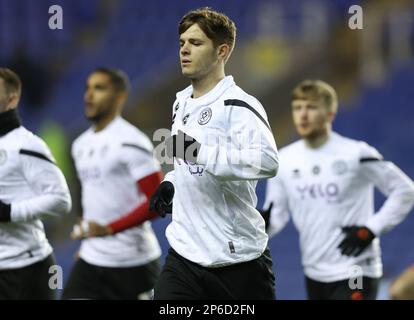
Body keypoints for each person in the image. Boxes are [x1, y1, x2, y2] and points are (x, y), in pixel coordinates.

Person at [150, 7, 279, 300]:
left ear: (222, 51)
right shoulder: (180, 102)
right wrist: (171, 182)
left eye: (195, 43)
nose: (184, 49)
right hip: (184, 255)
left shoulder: (238, 105)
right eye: (182, 42)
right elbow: (185, 158)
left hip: (237, 261)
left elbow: (268, 160)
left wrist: (200, 153)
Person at [263, 79, 414, 300]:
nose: (303, 115)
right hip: (315, 271)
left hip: (356, 268)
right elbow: (276, 215)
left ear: (330, 114)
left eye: (311, 107)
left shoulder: (356, 153)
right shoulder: (284, 160)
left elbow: (405, 190)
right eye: (298, 108)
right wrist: (262, 223)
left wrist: (371, 229)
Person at [62, 68, 163, 300]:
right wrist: (87, 238)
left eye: (99, 88)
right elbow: (91, 196)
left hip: (133, 262)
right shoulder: (79, 144)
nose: (89, 95)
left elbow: (158, 202)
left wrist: (109, 229)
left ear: (119, 97)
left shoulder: (132, 141)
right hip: (92, 258)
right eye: (87, 88)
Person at [0, 68, 72, 299]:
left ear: (12, 99)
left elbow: (61, 200)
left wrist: (10, 212)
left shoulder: (25, 144)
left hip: (24, 271)